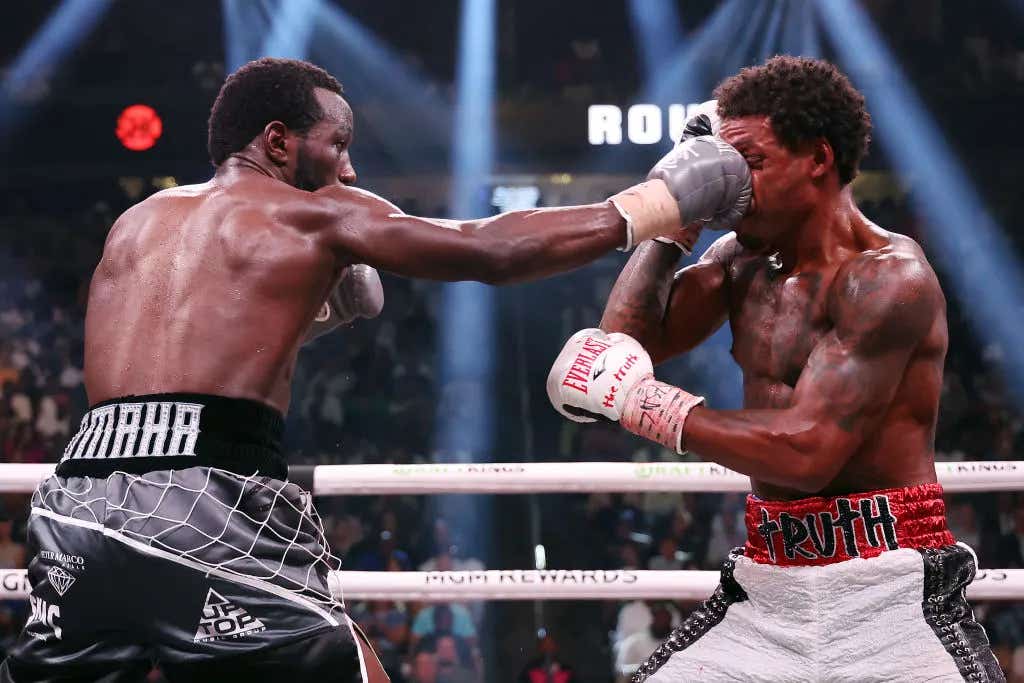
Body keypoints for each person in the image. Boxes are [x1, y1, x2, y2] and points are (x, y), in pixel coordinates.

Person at [0, 56, 751, 683]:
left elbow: (186, 354)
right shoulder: (315, 214)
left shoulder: (139, 221)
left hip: (75, 503)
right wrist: (661, 201)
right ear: (279, 141)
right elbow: (487, 249)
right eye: (340, 142)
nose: (351, 166)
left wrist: (315, 306)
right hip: (205, 502)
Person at [547, 56, 1004, 681]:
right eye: (725, 168)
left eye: (751, 165)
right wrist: (675, 217)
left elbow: (808, 454)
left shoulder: (889, 278)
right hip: (769, 585)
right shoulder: (740, 262)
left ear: (818, 159)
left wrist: (647, 406)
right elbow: (622, 350)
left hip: (893, 590)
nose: (734, 186)